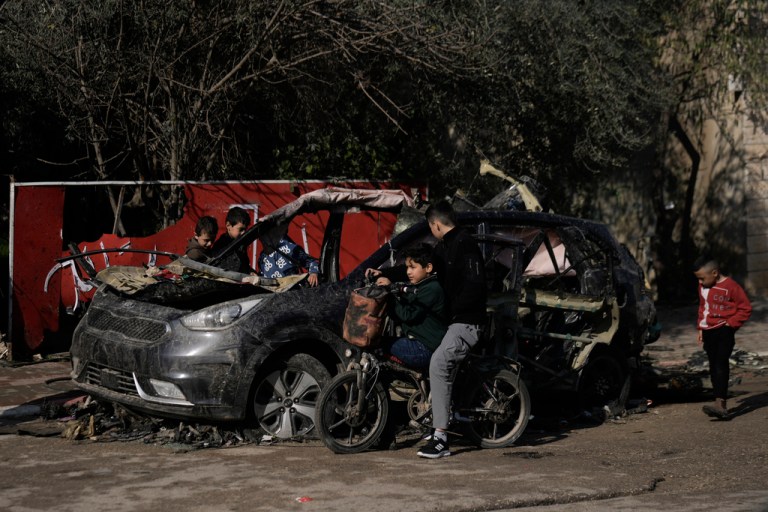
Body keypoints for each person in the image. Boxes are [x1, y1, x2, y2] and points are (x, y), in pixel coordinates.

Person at [417, 200, 487, 459]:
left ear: (435, 224)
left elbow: (476, 285)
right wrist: (390, 275)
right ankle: (440, 423)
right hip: (456, 320)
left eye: (430, 226)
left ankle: (441, 439)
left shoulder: (465, 244)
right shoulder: (445, 246)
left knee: (438, 363)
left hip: (468, 321)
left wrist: (451, 305)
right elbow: (421, 267)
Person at [693, 256, 752, 419]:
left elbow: (745, 308)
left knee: (720, 363)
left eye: (702, 278)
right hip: (708, 331)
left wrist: (730, 324)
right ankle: (719, 401)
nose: (701, 282)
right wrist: (700, 327)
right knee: (713, 365)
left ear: (715, 272)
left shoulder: (731, 287)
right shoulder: (702, 285)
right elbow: (703, 307)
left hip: (724, 330)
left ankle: (721, 404)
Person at [372, 243, 447, 368]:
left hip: (424, 349)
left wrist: (390, 293)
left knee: (377, 344)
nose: (408, 272)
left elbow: (407, 314)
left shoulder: (432, 289)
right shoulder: (422, 286)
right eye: (407, 267)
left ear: (428, 268)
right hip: (420, 344)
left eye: (412, 267)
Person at [211, 206, 253, 274]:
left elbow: (244, 264)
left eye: (245, 230)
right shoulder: (221, 246)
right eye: (241, 229)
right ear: (228, 226)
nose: (243, 233)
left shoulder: (240, 244)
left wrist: (250, 271)